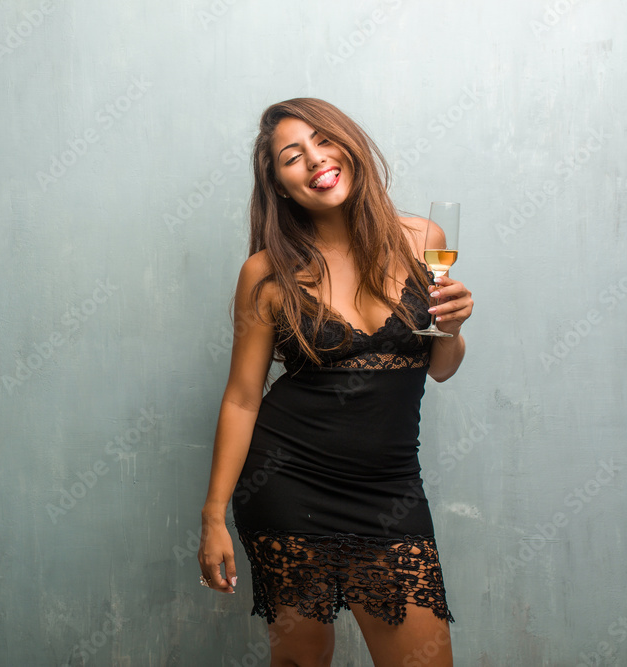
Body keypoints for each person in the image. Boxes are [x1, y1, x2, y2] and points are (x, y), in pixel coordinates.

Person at [196, 98, 474, 667]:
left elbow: (441, 366)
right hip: (288, 483)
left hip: (390, 489)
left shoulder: (422, 239)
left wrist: (452, 328)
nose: (315, 159)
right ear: (279, 187)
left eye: (323, 140)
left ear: (349, 145)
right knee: (301, 660)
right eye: (292, 156)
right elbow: (243, 399)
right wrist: (213, 514)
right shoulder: (266, 273)